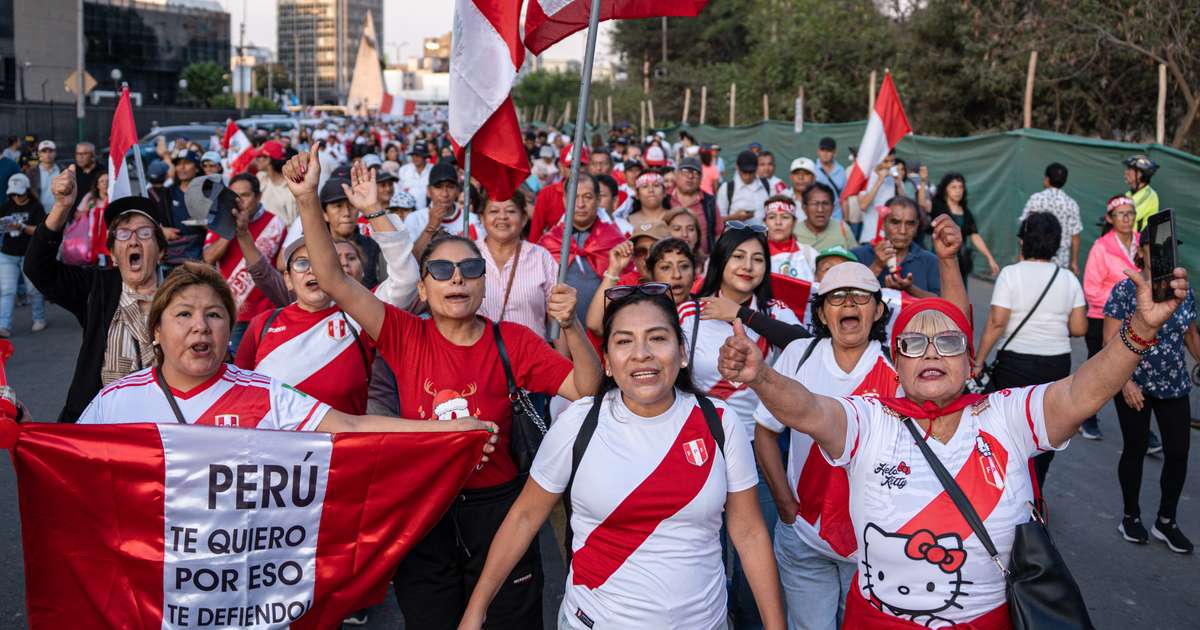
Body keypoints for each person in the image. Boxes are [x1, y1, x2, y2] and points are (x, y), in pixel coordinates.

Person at [720, 253, 1191, 626]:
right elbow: (808, 409)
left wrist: (1142, 330)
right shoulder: (871, 418)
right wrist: (760, 376)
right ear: (897, 363)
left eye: (948, 342)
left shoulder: (1007, 414)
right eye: (914, 344)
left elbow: (1082, 392)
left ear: (969, 361)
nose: (931, 353)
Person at [284, 149, 602, 629]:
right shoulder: (403, 332)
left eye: (471, 271)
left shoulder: (512, 340)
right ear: (424, 290)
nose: (457, 279)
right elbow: (330, 277)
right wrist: (308, 199)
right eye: (441, 271)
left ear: (484, 287)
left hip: (498, 511)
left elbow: (586, 386)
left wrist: (571, 326)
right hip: (425, 508)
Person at [461, 285, 786, 630]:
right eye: (624, 341)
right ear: (608, 364)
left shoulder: (719, 421)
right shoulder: (579, 421)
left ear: (683, 352)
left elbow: (749, 532)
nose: (641, 353)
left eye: (657, 338)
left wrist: (776, 626)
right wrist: (476, 609)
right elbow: (524, 518)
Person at [78, 261, 499, 459]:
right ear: (156, 330)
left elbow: (351, 424)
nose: (200, 327)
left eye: (214, 315)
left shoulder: (263, 395)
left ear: (229, 329)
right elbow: (68, 462)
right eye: (183, 315)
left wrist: (448, 430)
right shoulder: (115, 401)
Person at [680, 223, 800, 629]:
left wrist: (742, 314)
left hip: (758, 449)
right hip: (699, 446)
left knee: (757, 550)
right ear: (720, 262)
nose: (748, 266)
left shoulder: (774, 313)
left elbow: (803, 343)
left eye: (758, 258)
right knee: (705, 550)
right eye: (739, 256)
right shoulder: (689, 312)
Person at [25, 168, 169, 421]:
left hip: (165, 430)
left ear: (161, 252)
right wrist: (61, 207)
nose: (134, 241)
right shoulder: (97, 287)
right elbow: (38, 268)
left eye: (145, 233)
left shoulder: (183, 293)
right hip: (100, 427)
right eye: (123, 234)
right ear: (113, 254)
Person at [974, 212, 1086, 487]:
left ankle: (1005, 488)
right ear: (1057, 244)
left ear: (1023, 241)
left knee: (1008, 427)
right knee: (1044, 428)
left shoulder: (1010, 275)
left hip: (1014, 364)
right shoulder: (1069, 279)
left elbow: (997, 322)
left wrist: (978, 361)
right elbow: (1080, 328)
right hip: (1055, 364)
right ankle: (1036, 492)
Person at [1104, 258, 1196, 553]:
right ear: (1142, 252)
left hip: (1174, 384)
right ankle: (1130, 516)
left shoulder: (1182, 290)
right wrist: (1125, 382)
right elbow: (1109, 340)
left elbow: (1191, 334)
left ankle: (1166, 521)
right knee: (1135, 448)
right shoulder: (1124, 290)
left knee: (1179, 452)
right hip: (1136, 385)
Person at [234, 237, 377, 414]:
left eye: (319, 263)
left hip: (342, 440)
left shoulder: (361, 316)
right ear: (288, 280)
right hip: (274, 440)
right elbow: (238, 391)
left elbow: (403, 283)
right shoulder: (262, 323)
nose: (312, 270)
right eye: (302, 264)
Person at [201, 173, 287, 354]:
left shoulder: (275, 223)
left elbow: (282, 267)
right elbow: (208, 258)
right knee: (240, 367)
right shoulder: (221, 222)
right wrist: (231, 230)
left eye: (246, 196)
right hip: (235, 313)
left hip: (269, 312)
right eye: (234, 196)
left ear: (258, 197)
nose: (239, 201)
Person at [1079, 195, 1140, 441]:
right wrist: (1124, 303)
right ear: (1110, 219)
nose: (1126, 218)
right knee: (1100, 372)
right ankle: (1087, 418)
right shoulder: (1101, 247)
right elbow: (1091, 290)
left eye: (1130, 213)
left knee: (1134, 372)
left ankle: (1141, 428)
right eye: (1121, 214)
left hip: (1137, 322)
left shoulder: (1141, 243)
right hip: (1101, 320)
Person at [540, 172, 625, 324]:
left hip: (604, 328)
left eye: (587, 197)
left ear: (598, 200)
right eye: (575, 197)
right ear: (565, 200)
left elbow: (626, 286)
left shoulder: (615, 240)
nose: (580, 204)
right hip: (557, 333)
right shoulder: (548, 242)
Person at [476, 190, 559, 335]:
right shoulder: (467, 255)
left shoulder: (541, 258)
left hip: (533, 355)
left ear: (524, 219)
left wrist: (560, 357)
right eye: (494, 211)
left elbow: (557, 318)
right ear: (482, 218)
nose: (502, 217)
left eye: (510, 211)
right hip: (480, 355)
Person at [853, 197, 942, 297]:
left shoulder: (930, 261)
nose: (903, 231)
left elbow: (941, 304)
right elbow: (849, 298)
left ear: (917, 226)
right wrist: (876, 266)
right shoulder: (857, 256)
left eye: (910, 224)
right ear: (882, 224)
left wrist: (910, 289)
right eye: (895, 222)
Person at [405, 161, 484, 257]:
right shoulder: (414, 219)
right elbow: (411, 261)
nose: (445, 194)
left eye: (450, 187)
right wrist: (431, 226)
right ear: (429, 191)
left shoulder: (471, 220)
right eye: (438, 187)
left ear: (457, 190)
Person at [930, 172, 1000, 281]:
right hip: (940, 259)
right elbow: (923, 205)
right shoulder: (937, 207)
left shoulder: (966, 212)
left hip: (960, 262)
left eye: (960, 187)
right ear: (945, 190)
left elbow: (974, 235)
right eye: (953, 187)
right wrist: (923, 181)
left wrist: (990, 258)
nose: (958, 191)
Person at [0, 173, 47, 335]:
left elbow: (41, 230)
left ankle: (39, 317)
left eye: (19, 193)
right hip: (7, 254)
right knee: (7, 290)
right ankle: (4, 325)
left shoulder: (36, 207)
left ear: (27, 190)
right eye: (12, 194)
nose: (16, 197)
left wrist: (21, 227)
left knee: (33, 289)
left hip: (29, 254)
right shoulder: (6, 206)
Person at [1020, 162, 1082, 272]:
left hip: (1034, 259)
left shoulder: (1036, 199)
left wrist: (1022, 254)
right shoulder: (1071, 204)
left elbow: (1024, 230)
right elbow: (1075, 237)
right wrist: (1074, 262)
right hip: (1060, 263)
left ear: (1047, 179)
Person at [528, 144, 589, 241]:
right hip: (553, 252)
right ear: (561, 167)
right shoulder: (547, 194)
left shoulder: (597, 193)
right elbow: (536, 232)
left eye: (581, 165)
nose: (576, 171)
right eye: (570, 166)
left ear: (587, 167)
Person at [671, 156, 722, 254]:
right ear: (676, 175)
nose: (690, 176)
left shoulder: (709, 202)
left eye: (695, 173)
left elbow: (718, 233)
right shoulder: (665, 198)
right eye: (685, 171)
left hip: (702, 262)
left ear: (701, 179)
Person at [164, 149, 206, 264]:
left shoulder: (207, 192)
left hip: (200, 254)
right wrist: (162, 230)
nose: (182, 167)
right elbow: (154, 220)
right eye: (178, 164)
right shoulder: (167, 193)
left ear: (197, 168)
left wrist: (204, 223)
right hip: (174, 255)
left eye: (187, 163)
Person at [763, 195, 817, 282]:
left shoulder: (809, 254)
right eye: (772, 217)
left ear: (794, 222)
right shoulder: (756, 255)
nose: (778, 222)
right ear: (765, 222)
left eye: (785, 217)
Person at [793, 183, 855, 251]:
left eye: (825, 204)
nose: (820, 209)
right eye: (815, 203)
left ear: (833, 208)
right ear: (804, 207)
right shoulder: (794, 233)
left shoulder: (843, 229)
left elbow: (856, 257)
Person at [718, 150, 772, 225]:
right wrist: (734, 217)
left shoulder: (767, 185)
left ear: (756, 168)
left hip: (762, 235)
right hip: (735, 235)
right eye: (744, 172)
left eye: (751, 172)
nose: (748, 176)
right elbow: (718, 221)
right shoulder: (726, 189)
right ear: (737, 167)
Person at [255, 140, 299, 226]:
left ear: (268, 159)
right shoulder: (261, 178)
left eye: (259, 156)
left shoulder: (291, 190)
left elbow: (294, 225)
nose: (256, 160)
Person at [1123, 154, 1160, 231]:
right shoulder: (1128, 194)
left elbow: (1127, 216)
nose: (1125, 172)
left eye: (1130, 169)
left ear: (1140, 174)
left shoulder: (1149, 195)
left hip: (1138, 242)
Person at [814, 137, 847, 220]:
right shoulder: (812, 169)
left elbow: (844, 197)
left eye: (828, 151)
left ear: (834, 152)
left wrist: (846, 219)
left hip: (836, 215)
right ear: (818, 151)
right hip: (816, 214)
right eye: (822, 150)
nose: (825, 153)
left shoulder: (841, 170)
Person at [25, 140, 60, 206]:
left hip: (61, 213)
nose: (48, 154)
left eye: (50, 151)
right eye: (44, 151)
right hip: (39, 214)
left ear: (55, 153)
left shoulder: (63, 170)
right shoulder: (31, 172)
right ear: (39, 153)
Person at [71, 142, 100, 211]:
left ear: (93, 155)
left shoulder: (102, 172)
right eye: (78, 154)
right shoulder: (71, 171)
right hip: (74, 217)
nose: (80, 157)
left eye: (84, 154)